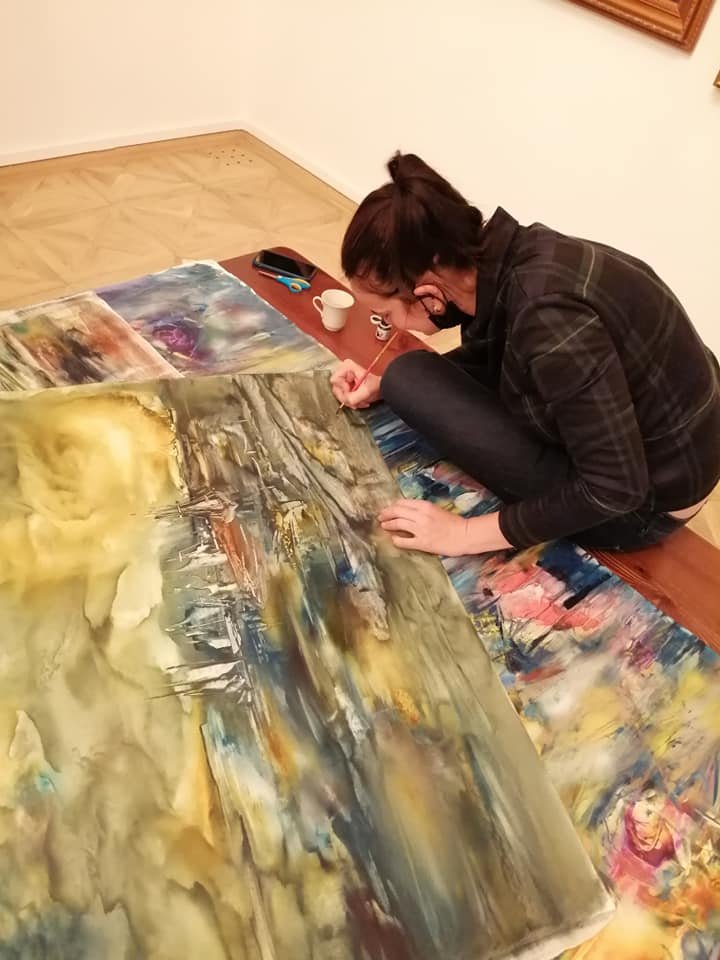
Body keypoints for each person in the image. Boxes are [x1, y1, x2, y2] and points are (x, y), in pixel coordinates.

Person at [330, 153, 720, 557]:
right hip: (662, 448)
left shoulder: (548, 320)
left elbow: (616, 489)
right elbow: (502, 351)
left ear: (429, 295)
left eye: (386, 315)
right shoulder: (516, 256)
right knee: (406, 377)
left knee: (409, 378)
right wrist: (383, 385)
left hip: (642, 507)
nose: (393, 326)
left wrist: (464, 534)